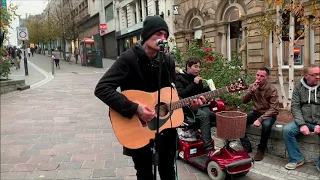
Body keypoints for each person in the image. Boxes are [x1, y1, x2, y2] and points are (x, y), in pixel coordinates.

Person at [94, 16, 206, 180]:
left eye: (165, 35)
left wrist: (191, 106)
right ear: (147, 35)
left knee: (168, 173)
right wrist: (136, 108)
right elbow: (102, 88)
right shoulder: (128, 58)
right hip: (138, 129)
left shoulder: (168, 61)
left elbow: (173, 97)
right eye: (159, 33)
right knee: (145, 174)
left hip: (166, 131)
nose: (163, 38)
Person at [175, 57, 216, 156]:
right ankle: (209, 149)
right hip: (185, 109)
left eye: (199, 67)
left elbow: (200, 93)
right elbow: (181, 95)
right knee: (204, 116)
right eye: (195, 66)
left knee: (214, 115)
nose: (198, 69)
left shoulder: (198, 79)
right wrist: (194, 83)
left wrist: (209, 90)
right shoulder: (179, 78)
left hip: (199, 106)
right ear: (188, 67)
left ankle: (226, 143)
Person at [282, 64, 320, 171]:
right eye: (315, 75)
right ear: (306, 75)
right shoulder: (298, 87)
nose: (318, 77)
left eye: (319, 74)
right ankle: (296, 159)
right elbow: (295, 106)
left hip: (318, 121)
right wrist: (302, 124)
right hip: (303, 120)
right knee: (287, 130)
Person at [240, 67, 279, 161]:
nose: (259, 78)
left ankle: (261, 149)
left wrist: (260, 119)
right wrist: (251, 91)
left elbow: (274, 109)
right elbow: (244, 101)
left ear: (267, 78)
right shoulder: (252, 86)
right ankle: (247, 146)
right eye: (257, 75)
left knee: (266, 125)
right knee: (239, 122)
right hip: (256, 113)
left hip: (269, 114)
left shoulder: (272, 89)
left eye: (262, 76)